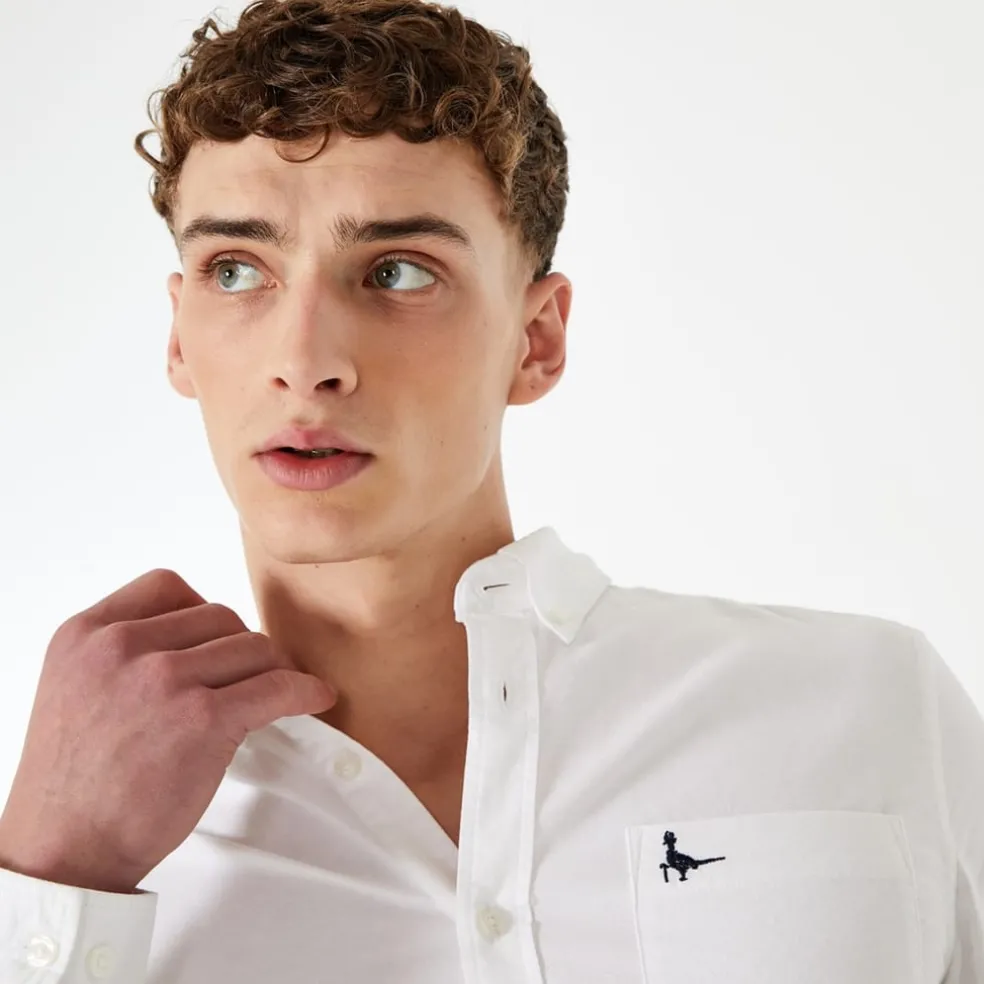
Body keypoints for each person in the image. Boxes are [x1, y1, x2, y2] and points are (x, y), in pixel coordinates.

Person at [1, 0, 982, 981]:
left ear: (536, 339)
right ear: (180, 338)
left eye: (397, 272)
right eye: (235, 270)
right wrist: (53, 874)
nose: (305, 361)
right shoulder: (79, 832)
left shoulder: (863, 710)